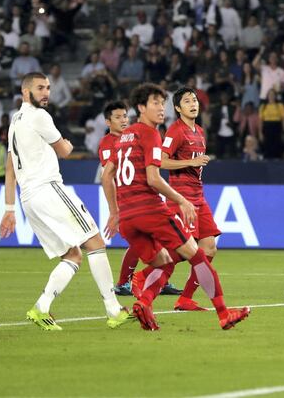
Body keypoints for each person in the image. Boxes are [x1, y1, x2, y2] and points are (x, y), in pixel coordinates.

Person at [101, 83, 249, 330]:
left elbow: (107, 176)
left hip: (128, 217)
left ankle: (145, 301)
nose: (161, 108)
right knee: (196, 256)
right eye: (155, 103)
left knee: (174, 257)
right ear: (141, 107)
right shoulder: (155, 133)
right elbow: (154, 176)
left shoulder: (122, 139)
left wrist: (114, 212)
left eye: (162, 102)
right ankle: (223, 313)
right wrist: (181, 200)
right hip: (158, 207)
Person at [0, 72, 133, 330]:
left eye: (48, 88)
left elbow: (10, 169)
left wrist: (9, 208)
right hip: (49, 189)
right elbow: (65, 150)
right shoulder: (39, 116)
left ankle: (41, 308)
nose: (46, 92)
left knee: (72, 255)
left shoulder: (15, 121)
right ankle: (114, 309)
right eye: (40, 88)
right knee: (95, 242)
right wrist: (67, 144)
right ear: (26, 92)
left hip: (29, 199)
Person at [98, 101, 181, 298]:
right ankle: (124, 282)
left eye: (125, 116)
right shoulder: (107, 143)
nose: (123, 120)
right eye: (118, 117)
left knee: (153, 239)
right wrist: (115, 209)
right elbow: (109, 174)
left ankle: (158, 278)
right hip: (126, 197)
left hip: (144, 193)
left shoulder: (135, 136)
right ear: (108, 122)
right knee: (140, 241)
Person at [161, 87, 218, 312]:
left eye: (194, 100)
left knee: (209, 247)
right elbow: (161, 162)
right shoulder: (175, 131)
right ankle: (146, 279)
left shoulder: (200, 132)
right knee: (183, 251)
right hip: (181, 197)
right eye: (187, 101)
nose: (193, 104)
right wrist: (190, 163)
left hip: (198, 196)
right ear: (177, 108)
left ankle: (185, 299)